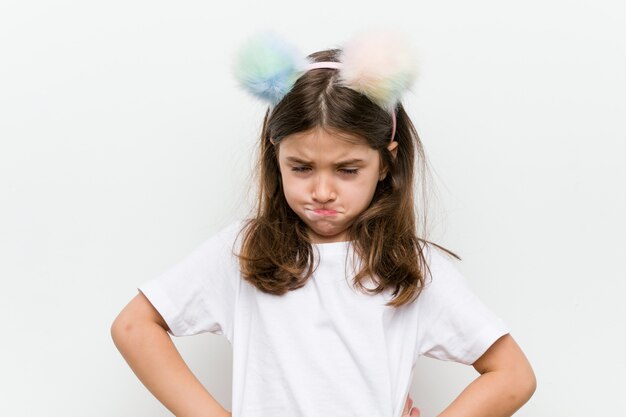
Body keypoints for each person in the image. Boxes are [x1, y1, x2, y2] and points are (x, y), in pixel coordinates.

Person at [111, 31, 536, 417]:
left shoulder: (411, 266)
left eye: (347, 170)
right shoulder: (245, 250)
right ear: (275, 154)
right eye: (301, 167)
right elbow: (134, 326)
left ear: (386, 161)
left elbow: (513, 374)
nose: (322, 191)